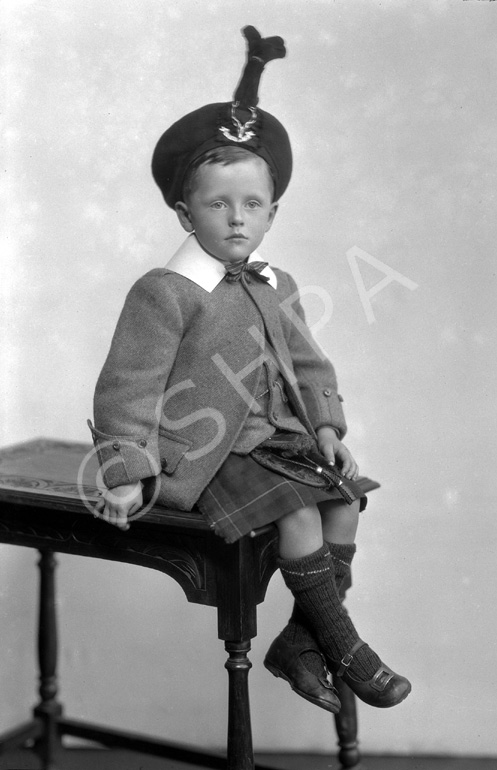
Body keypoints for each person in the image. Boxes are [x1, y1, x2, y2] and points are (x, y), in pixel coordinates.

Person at [89, 26, 411, 713]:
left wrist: (324, 425)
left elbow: (307, 361)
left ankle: (299, 641)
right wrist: (123, 470)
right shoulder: (165, 290)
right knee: (298, 513)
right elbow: (128, 384)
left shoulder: (276, 282)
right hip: (206, 450)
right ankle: (347, 650)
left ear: (272, 212)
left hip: (275, 439)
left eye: (252, 205)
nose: (236, 219)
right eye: (216, 203)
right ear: (183, 210)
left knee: (345, 501)